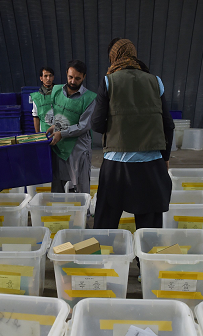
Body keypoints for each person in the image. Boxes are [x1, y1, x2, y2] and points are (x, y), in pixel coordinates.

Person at [91, 38, 174, 230]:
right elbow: (168, 124)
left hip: (116, 165)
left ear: (114, 57)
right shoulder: (155, 81)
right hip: (151, 164)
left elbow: (96, 123)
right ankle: (146, 259)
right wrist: (165, 157)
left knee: (106, 225)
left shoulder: (109, 81)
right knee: (149, 230)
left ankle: (107, 259)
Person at [47, 60, 97, 193]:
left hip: (78, 147)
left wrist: (61, 133)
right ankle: (56, 211)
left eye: (77, 78)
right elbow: (58, 113)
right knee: (57, 180)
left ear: (84, 77)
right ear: (66, 73)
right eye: (70, 77)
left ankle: (84, 213)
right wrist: (54, 126)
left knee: (81, 183)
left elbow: (84, 125)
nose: (73, 81)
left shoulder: (89, 98)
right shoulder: (56, 91)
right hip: (59, 144)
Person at [31, 67, 58, 133]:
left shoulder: (60, 93)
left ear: (53, 77)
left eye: (50, 76)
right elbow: (36, 117)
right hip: (45, 132)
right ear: (41, 78)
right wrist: (38, 135)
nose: (48, 79)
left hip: (60, 132)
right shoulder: (36, 97)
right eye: (45, 76)